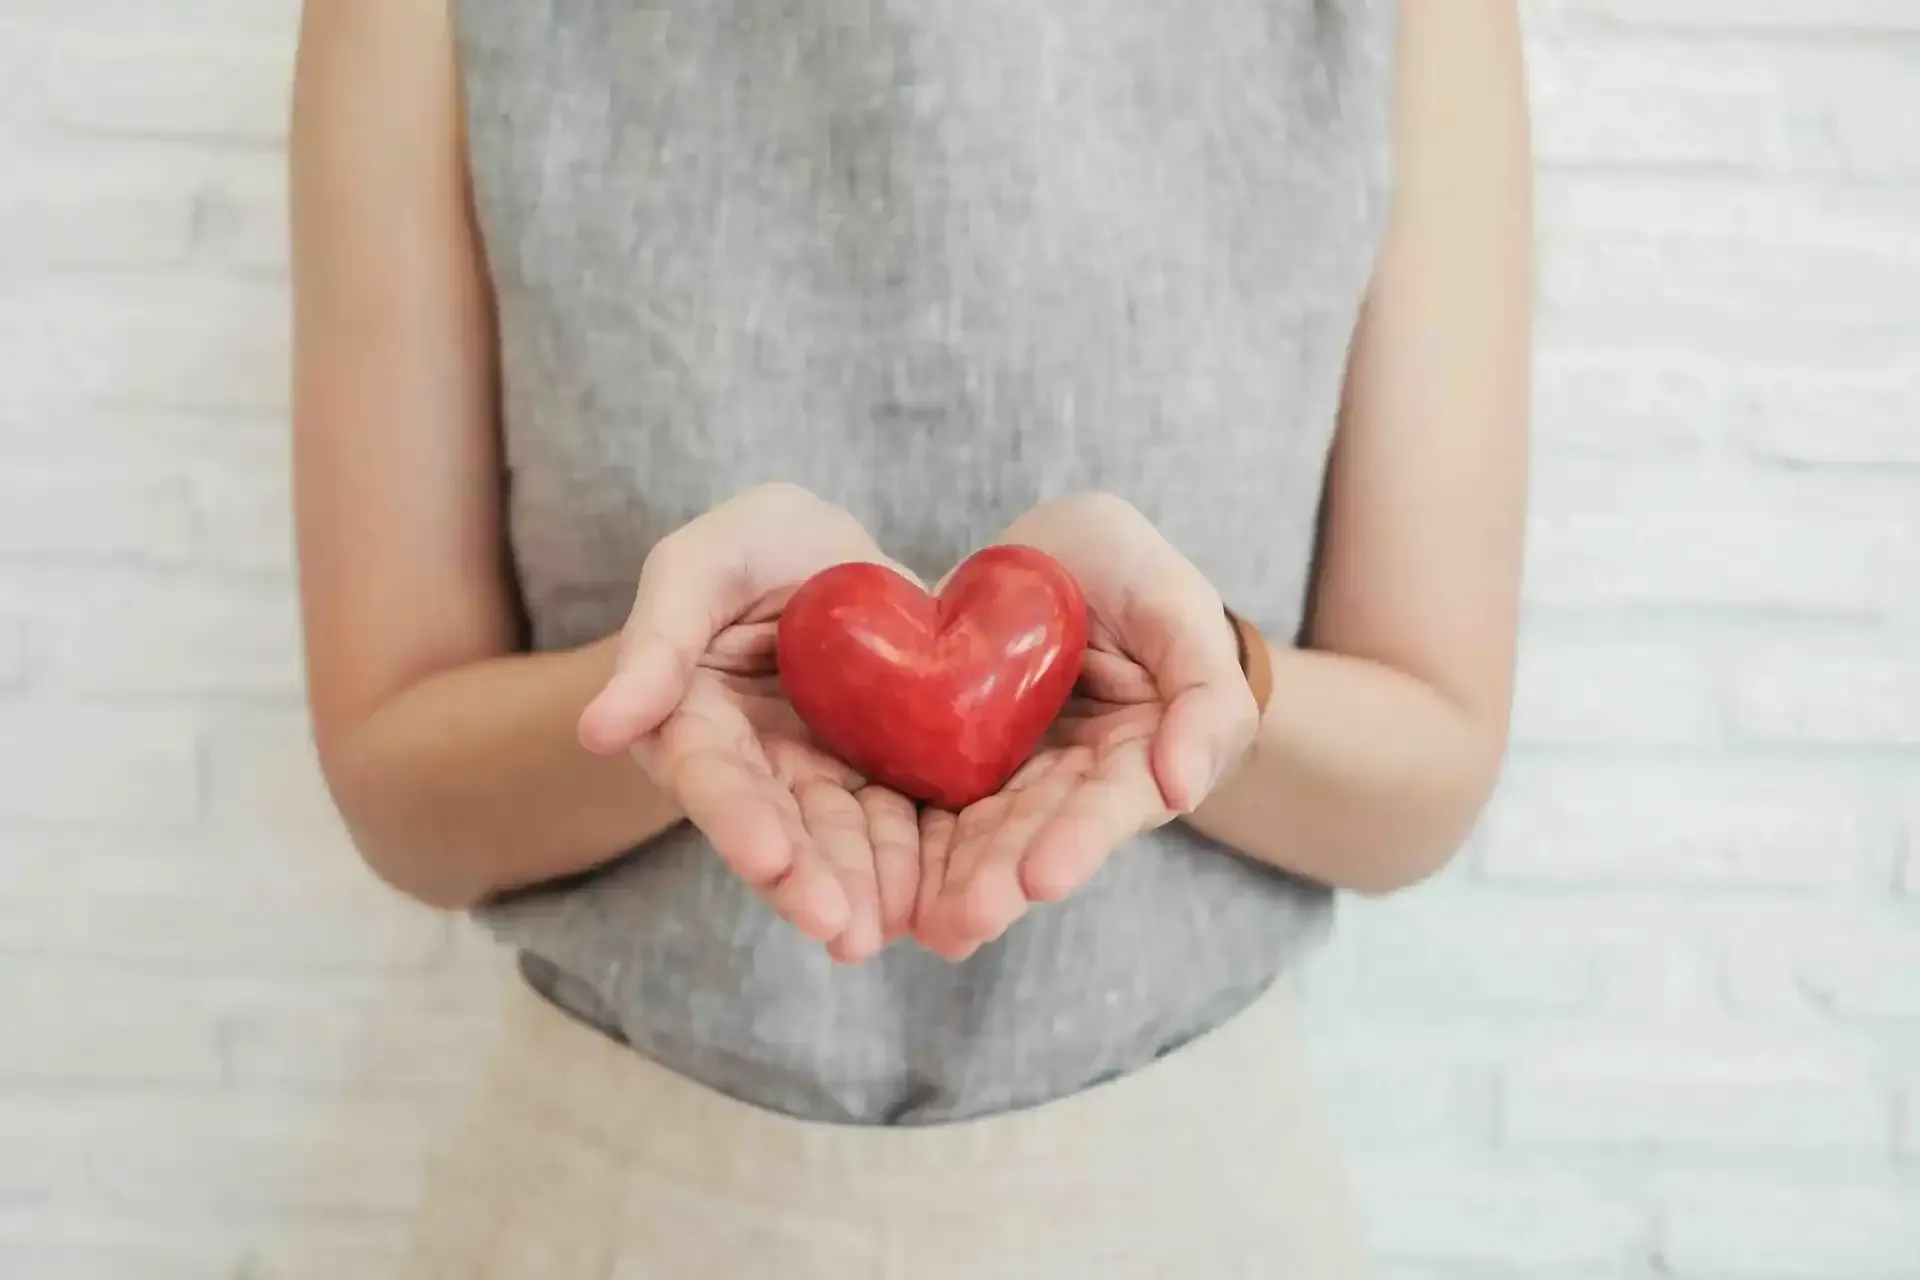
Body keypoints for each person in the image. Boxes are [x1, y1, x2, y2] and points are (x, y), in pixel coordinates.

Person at [289, 0, 1530, 1274]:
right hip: (614, 1206)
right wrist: (668, 695)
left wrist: (1205, 682)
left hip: (1188, 1203)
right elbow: (399, 788)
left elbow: (1426, 774)